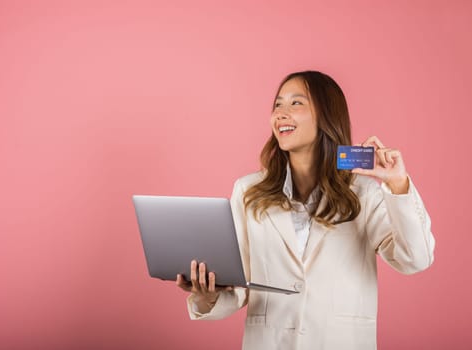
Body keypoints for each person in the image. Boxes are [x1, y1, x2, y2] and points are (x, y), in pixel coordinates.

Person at [176, 70, 435, 349]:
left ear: (326, 115)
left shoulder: (364, 194)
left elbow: (415, 259)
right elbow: (240, 288)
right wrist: (207, 293)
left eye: (296, 103)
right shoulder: (248, 191)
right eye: (278, 104)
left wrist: (397, 183)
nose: (281, 113)